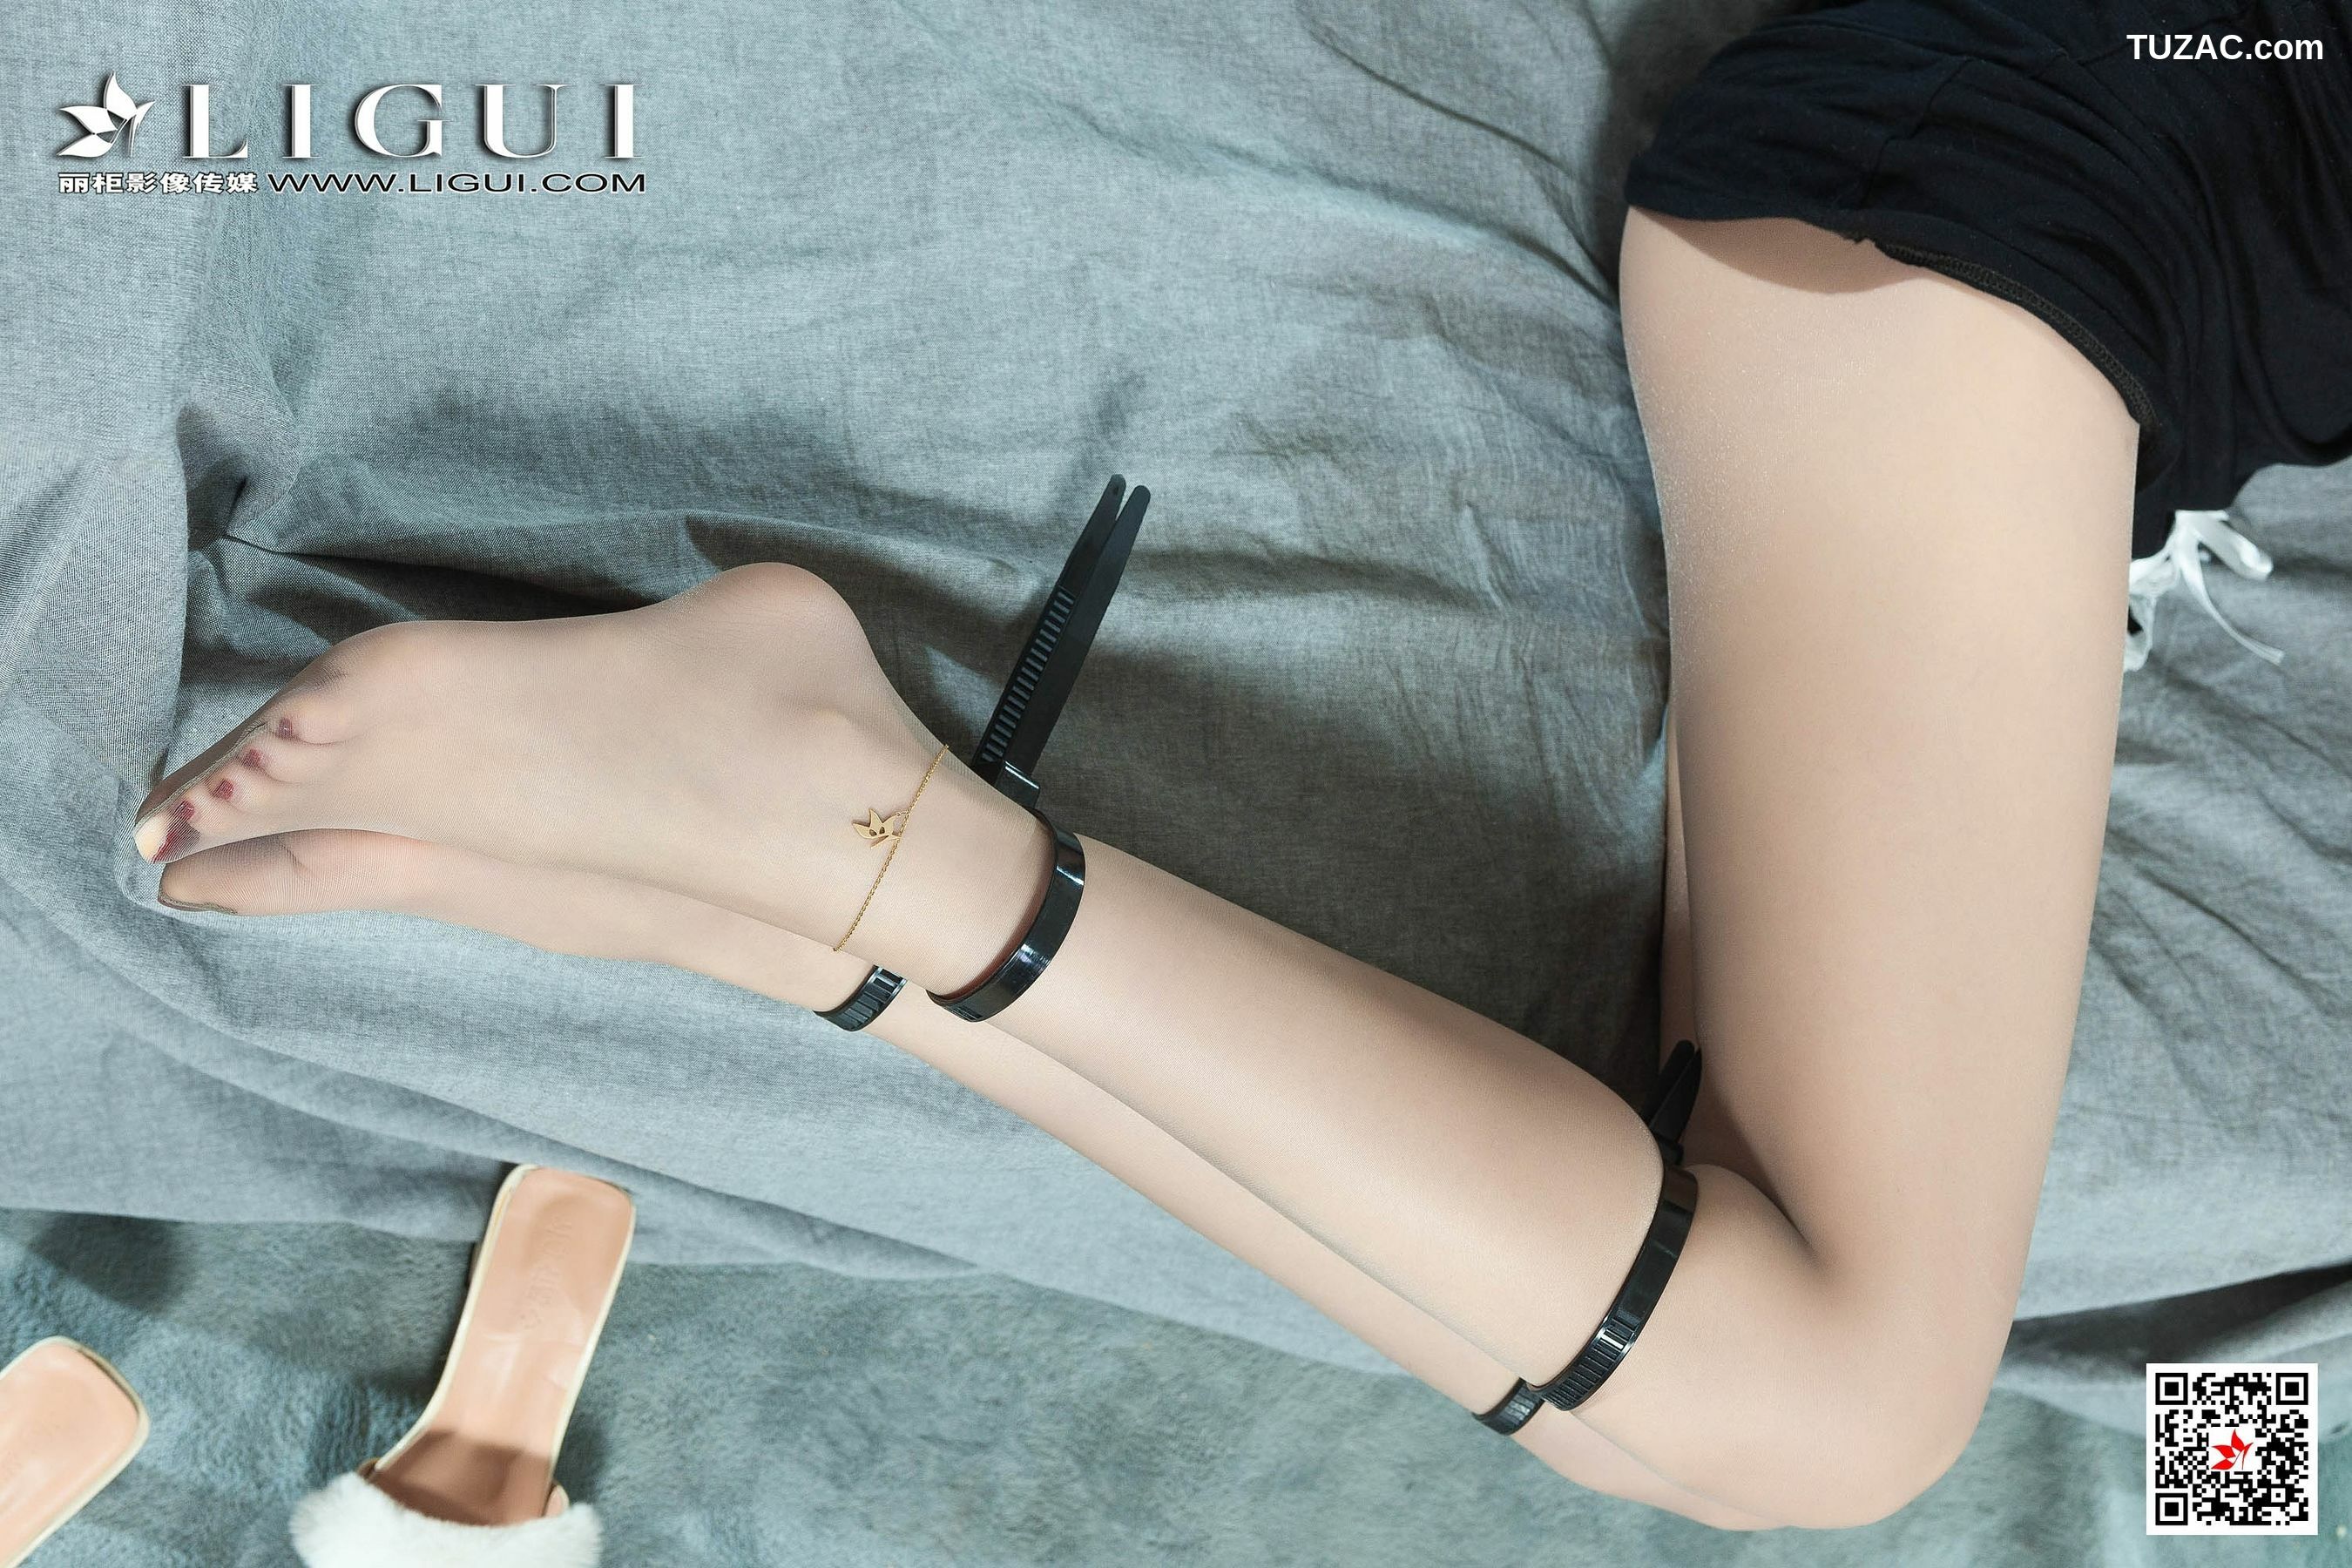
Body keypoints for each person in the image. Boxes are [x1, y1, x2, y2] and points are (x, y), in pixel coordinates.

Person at [128, 0, 2349, 1532]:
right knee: (1845, 1411)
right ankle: (853, 839)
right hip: (2047, 196)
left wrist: (2235, 1459)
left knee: (1726, 1422)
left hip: (2083, 205)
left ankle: (792, 913)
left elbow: (2240, 1433)